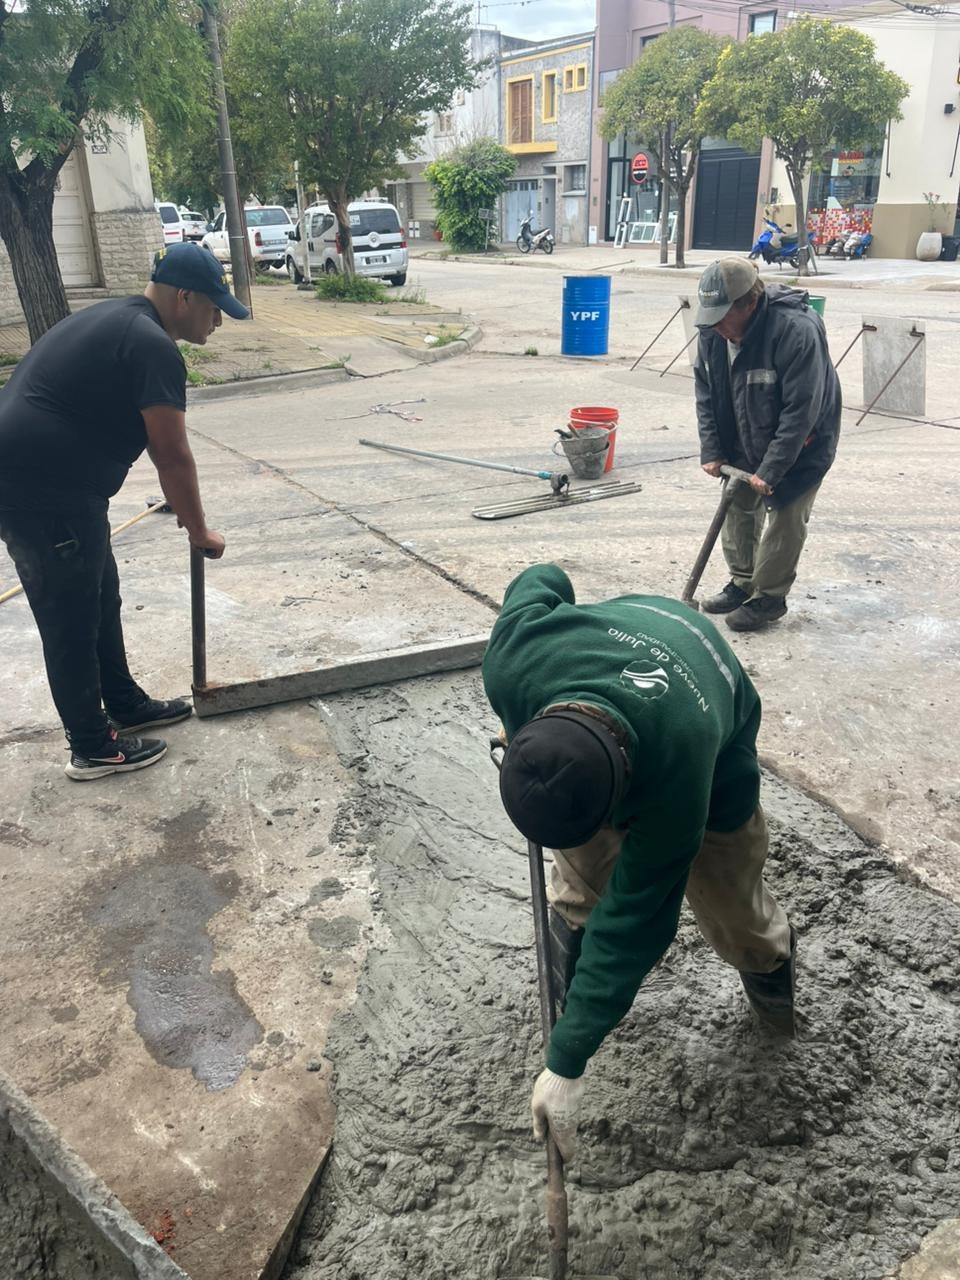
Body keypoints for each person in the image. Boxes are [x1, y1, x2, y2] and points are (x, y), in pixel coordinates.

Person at [483, 563, 795, 1163]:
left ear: (625, 799)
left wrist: (566, 1067)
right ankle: (573, 999)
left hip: (705, 707)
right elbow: (542, 578)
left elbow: (637, 922)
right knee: (579, 887)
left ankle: (773, 996)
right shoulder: (514, 659)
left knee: (736, 914)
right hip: (625, 634)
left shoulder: (680, 778)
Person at [0, 242, 249, 780]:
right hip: (41, 490)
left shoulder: (121, 320)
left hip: (56, 486)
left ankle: (123, 703)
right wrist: (199, 529)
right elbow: (171, 453)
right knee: (70, 614)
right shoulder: (152, 344)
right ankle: (92, 747)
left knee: (98, 594)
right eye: (214, 309)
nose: (217, 323)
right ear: (184, 297)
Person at [693, 256, 841, 632]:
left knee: (786, 516)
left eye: (722, 316)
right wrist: (712, 448)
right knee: (737, 504)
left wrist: (772, 469)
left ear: (750, 302)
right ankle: (743, 583)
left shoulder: (796, 330)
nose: (715, 326)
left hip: (803, 440)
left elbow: (801, 411)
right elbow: (706, 392)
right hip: (745, 428)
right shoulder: (712, 330)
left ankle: (769, 597)